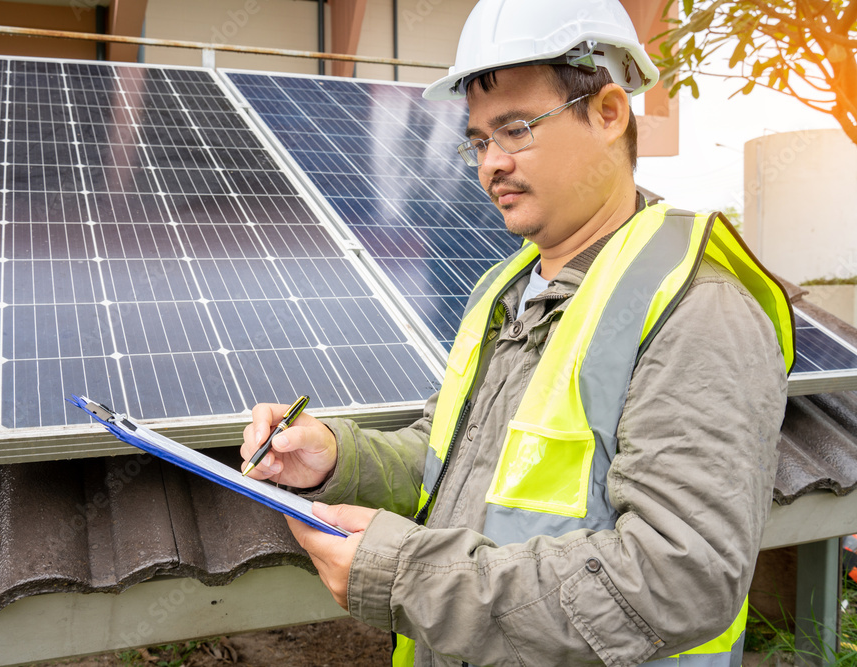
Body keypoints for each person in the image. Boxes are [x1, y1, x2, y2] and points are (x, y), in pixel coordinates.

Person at [240, 1, 795, 665]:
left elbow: (678, 576)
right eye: (479, 140)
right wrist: (337, 456)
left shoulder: (698, 309)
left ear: (610, 113)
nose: (489, 165)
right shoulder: (502, 290)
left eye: (515, 130)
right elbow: (451, 460)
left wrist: (409, 575)